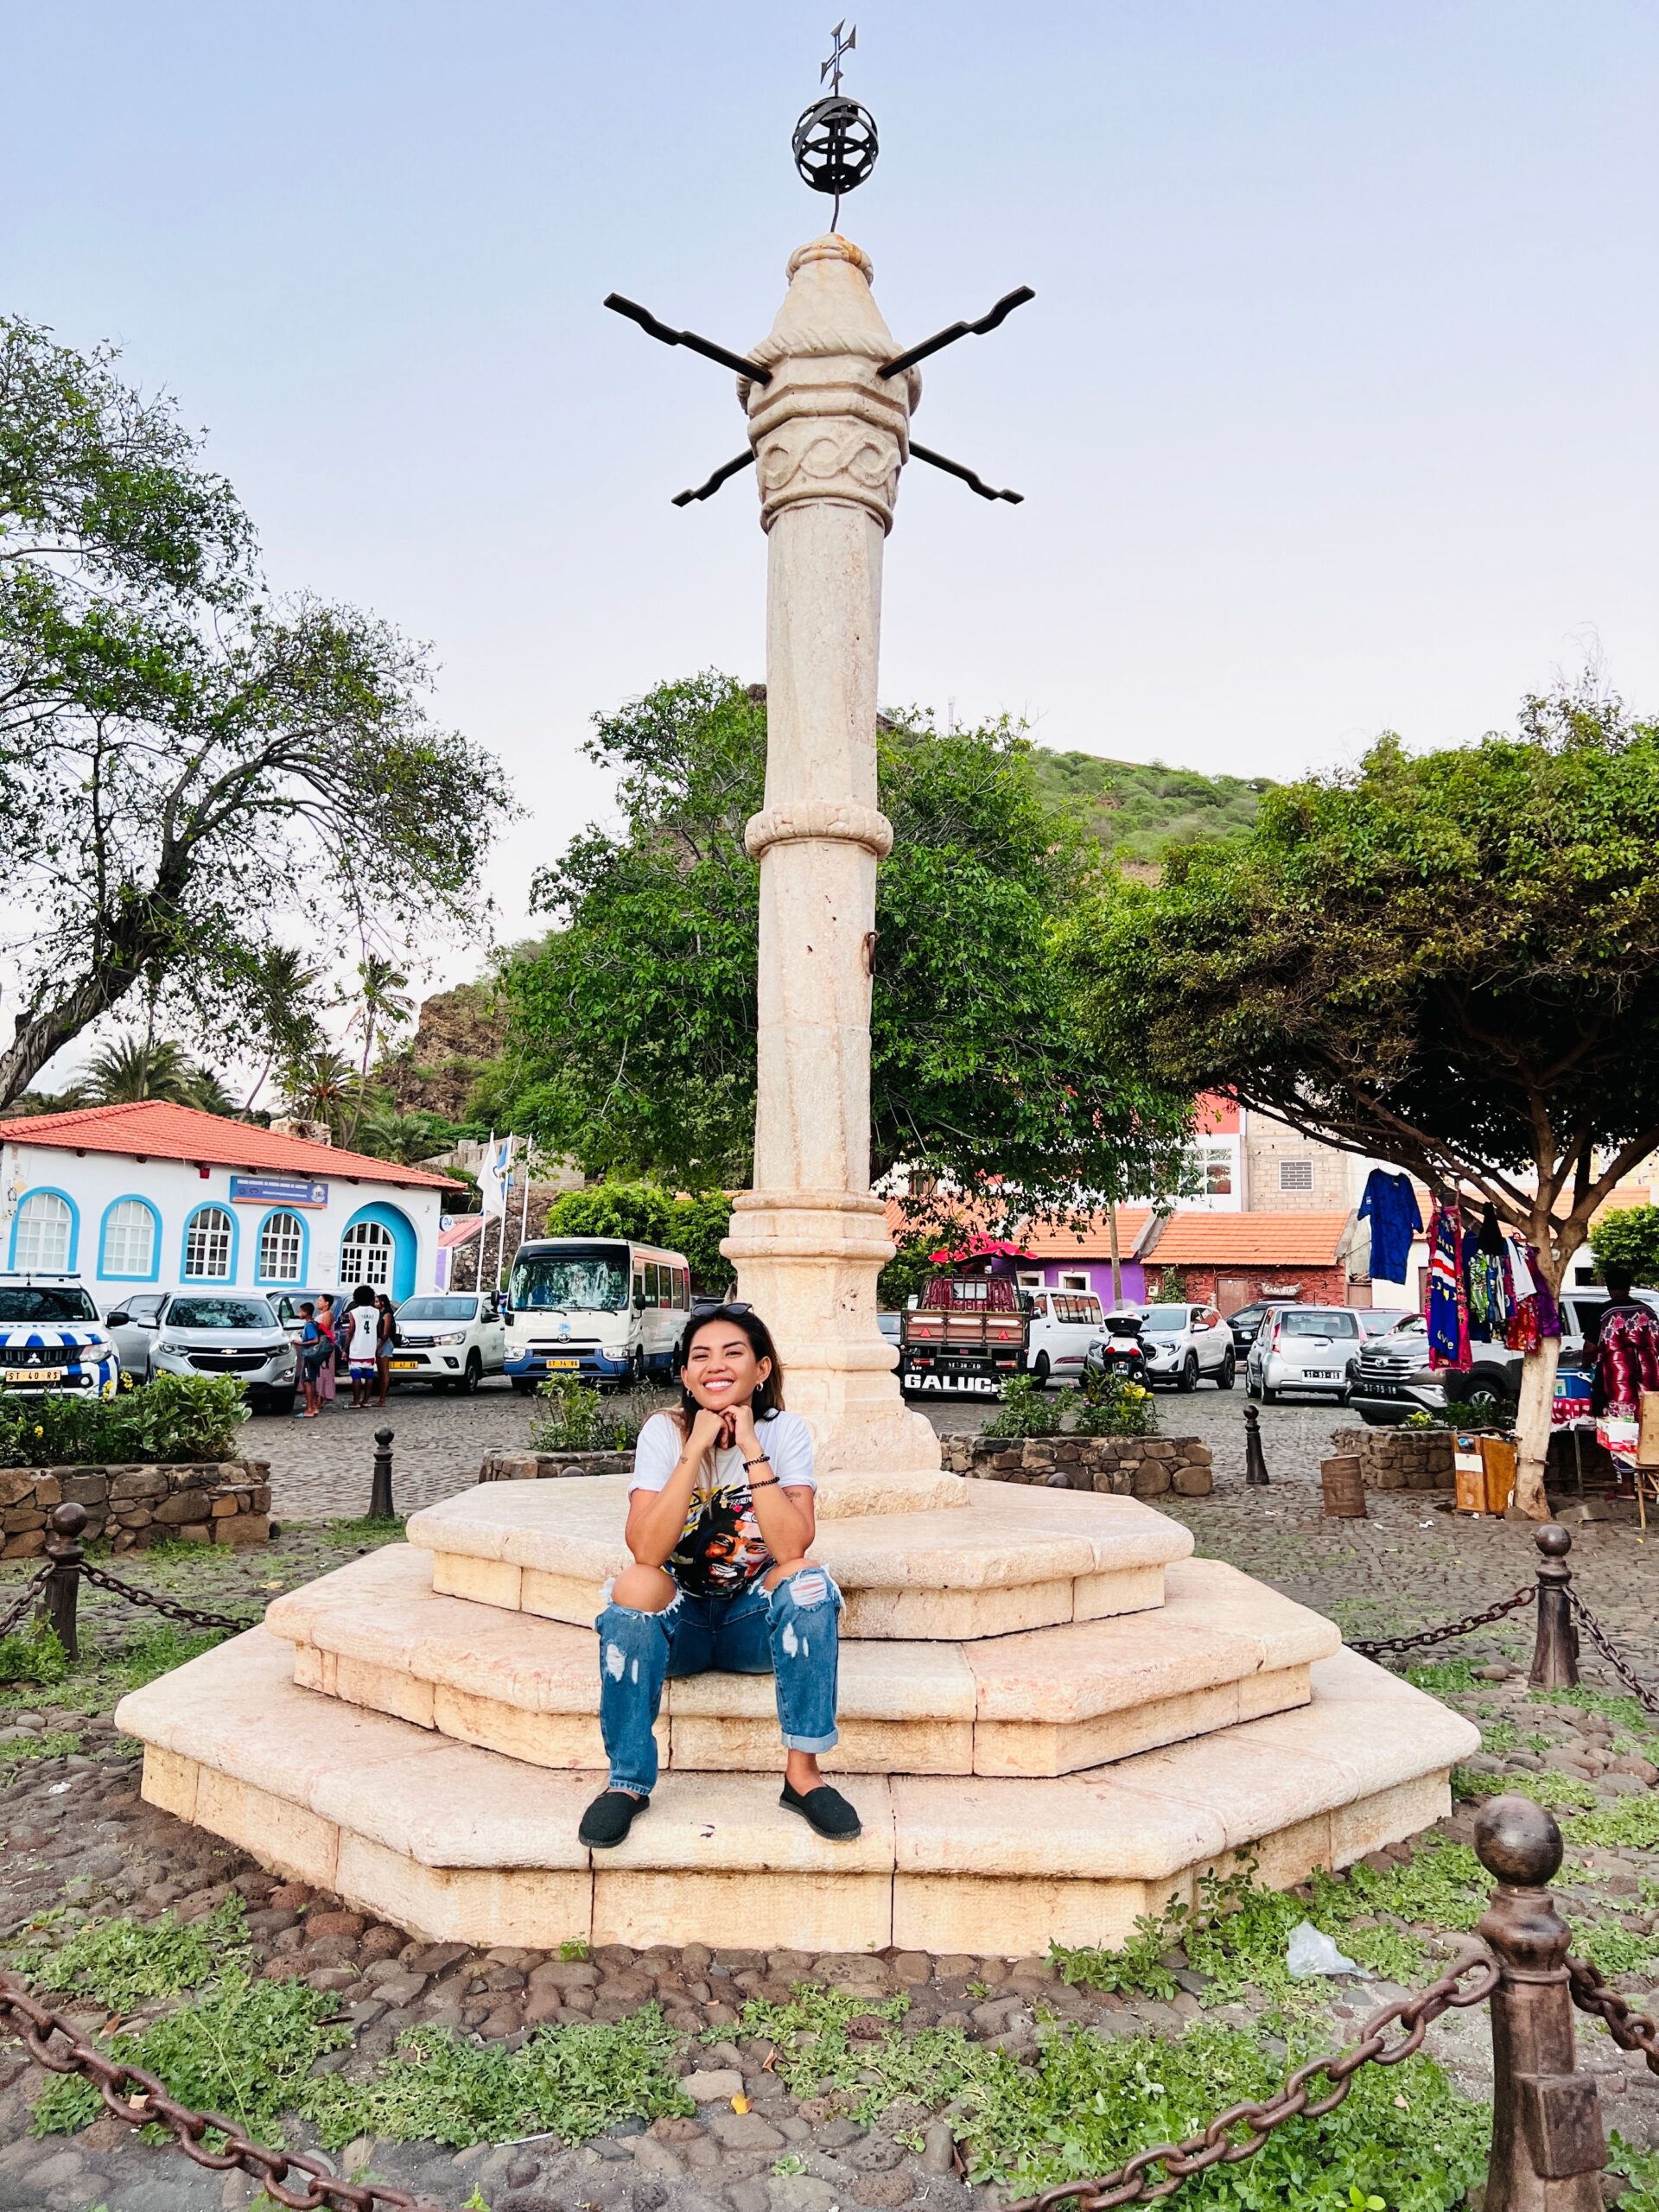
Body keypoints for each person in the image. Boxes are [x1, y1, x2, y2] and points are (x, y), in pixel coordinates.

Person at [578, 1304, 859, 1851]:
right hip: (680, 1626)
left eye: (734, 1353)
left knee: (805, 1579)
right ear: (684, 1374)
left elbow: (791, 1545)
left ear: (762, 1369)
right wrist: (694, 1450)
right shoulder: (664, 1432)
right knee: (634, 1583)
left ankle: (803, 1776)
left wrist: (752, 1446)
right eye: (700, 1356)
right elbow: (647, 1549)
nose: (716, 1366)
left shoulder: (787, 1432)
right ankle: (627, 1781)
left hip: (748, 1621)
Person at [345, 1286, 379, 1408]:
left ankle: (355, 1401)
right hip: (370, 1347)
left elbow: (351, 1330)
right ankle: (366, 1400)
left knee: (356, 1376)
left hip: (357, 1347)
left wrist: (345, 1348)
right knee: (369, 1376)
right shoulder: (376, 1312)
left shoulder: (354, 1312)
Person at [296, 1301, 325, 1419]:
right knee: (309, 1381)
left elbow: (315, 1340)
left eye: (301, 1311)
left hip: (309, 1356)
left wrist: (301, 1342)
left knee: (307, 1382)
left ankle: (309, 1408)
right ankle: (313, 1406)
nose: (299, 1314)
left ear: (306, 1312)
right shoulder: (313, 1324)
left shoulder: (309, 1325)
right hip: (312, 1357)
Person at [313, 1294, 340, 1408]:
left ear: (327, 1303)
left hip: (324, 1347)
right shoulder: (320, 1315)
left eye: (320, 1300)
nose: (318, 1302)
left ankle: (321, 1397)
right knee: (318, 1372)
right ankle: (317, 1397)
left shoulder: (328, 1314)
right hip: (319, 1346)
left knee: (323, 1372)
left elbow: (325, 1328)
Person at [374, 1293, 396, 1407]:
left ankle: (382, 1399)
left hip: (385, 1343)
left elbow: (386, 1334)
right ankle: (381, 1398)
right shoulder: (380, 1313)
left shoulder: (387, 1314)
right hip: (381, 1342)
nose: (375, 1304)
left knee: (384, 1372)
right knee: (381, 1372)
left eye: (377, 1302)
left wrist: (379, 1347)